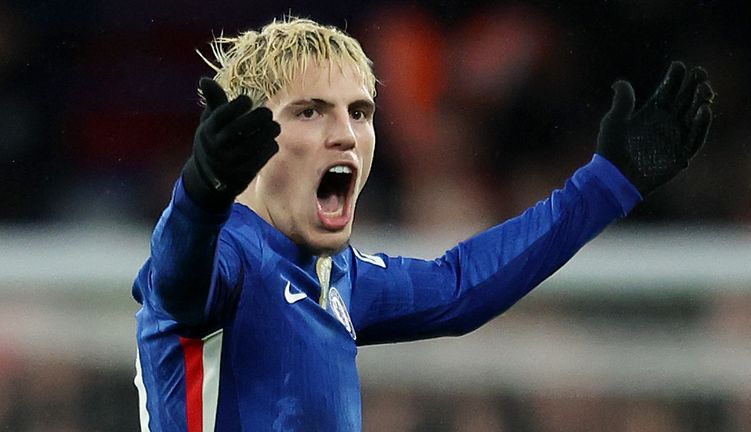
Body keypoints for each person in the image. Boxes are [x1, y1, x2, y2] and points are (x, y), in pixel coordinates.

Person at [131, 16, 714, 431]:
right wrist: (201, 193)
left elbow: (459, 286)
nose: (345, 135)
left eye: (360, 112)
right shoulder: (226, 254)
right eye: (310, 111)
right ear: (249, 137)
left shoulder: (337, 276)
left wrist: (606, 185)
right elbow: (180, 278)